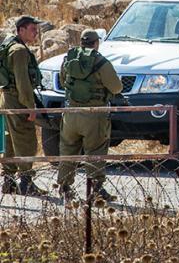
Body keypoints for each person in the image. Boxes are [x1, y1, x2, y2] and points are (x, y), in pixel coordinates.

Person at [57, 29, 123, 202]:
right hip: (94, 115)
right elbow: (116, 88)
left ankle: (64, 187)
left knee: (68, 150)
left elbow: (63, 81)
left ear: (81, 42)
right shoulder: (101, 62)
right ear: (96, 43)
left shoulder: (68, 59)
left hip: (71, 114)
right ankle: (96, 189)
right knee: (95, 151)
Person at [0, 15, 48, 196]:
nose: (36, 32)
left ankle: (9, 182)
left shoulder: (11, 46)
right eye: (32, 29)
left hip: (7, 99)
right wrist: (30, 107)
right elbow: (22, 82)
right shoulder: (19, 50)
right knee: (26, 140)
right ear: (21, 30)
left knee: (10, 142)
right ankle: (26, 182)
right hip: (18, 101)